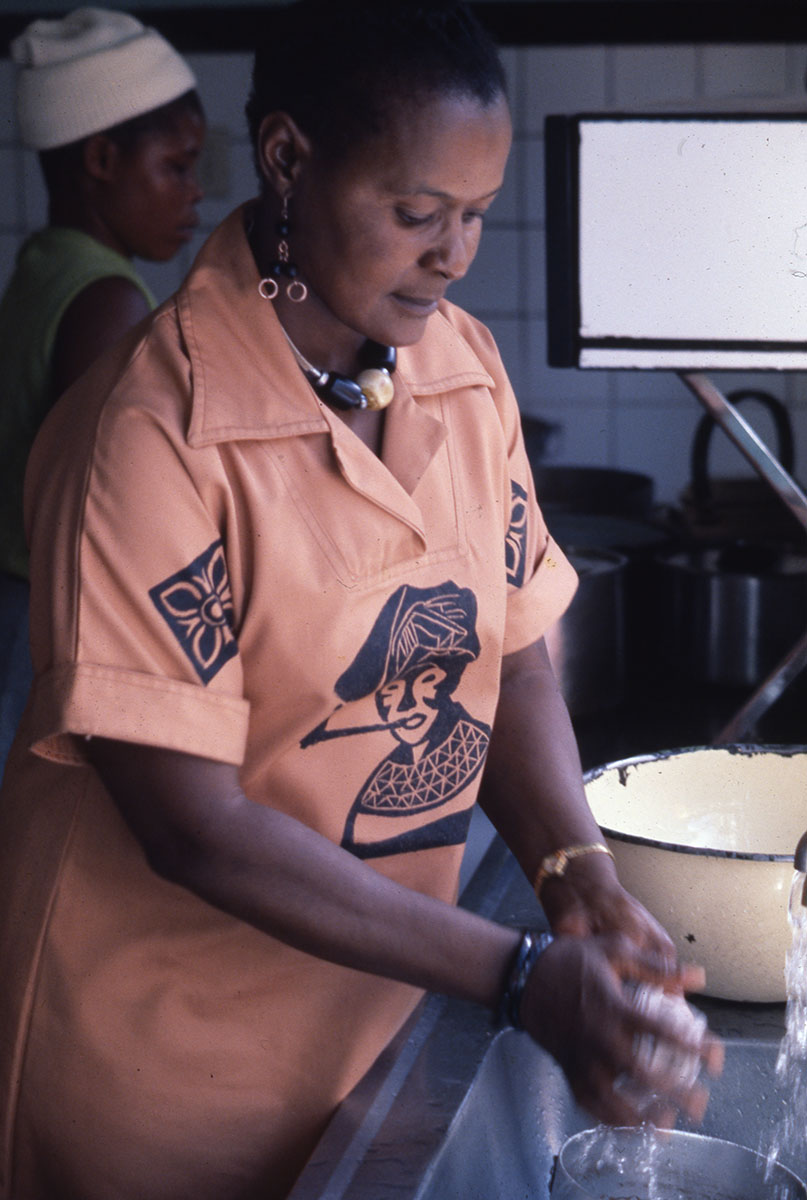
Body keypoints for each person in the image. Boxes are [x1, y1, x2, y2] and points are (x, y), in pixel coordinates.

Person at [0, 4, 721, 1199]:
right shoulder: (150, 430)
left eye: (476, 215)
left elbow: (515, 655)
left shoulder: (462, 371)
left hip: (374, 1031)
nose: (454, 254)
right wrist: (516, 973)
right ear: (288, 160)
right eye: (415, 213)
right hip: (158, 1077)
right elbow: (194, 826)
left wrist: (573, 867)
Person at [0, 7, 205, 777]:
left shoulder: (46, 264)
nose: (193, 194)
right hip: (37, 611)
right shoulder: (108, 301)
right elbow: (113, 498)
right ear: (102, 158)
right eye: (176, 167)